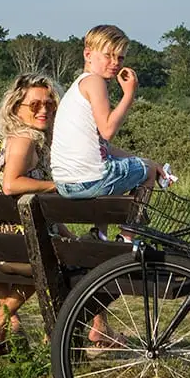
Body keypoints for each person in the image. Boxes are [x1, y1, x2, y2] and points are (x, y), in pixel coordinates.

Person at [0, 73, 121, 351]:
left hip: (18, 240)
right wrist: (58, 186)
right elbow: (12, 184)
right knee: (89, 261)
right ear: (16, 108)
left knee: (81, 253)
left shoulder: (26, 140)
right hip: (22, 243)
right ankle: (15, 323)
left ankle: (89, 327)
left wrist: (68, 234)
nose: (44, 110)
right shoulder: (24, 140)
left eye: (49, 104)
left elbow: (34, 208)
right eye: (34, 105)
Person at [50, 25, 163, 240]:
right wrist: (129, 94)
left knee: (118, 167)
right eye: (108, 55)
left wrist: (139, 159)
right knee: (148, 171)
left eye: (120, 58)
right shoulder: (94, 82)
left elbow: (102, 145)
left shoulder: (77, 87)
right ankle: (127, 236)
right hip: (90, 180)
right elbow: (108, 130)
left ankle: (100, 236)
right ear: (88, 54)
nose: (115, 63)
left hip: (65, 183)